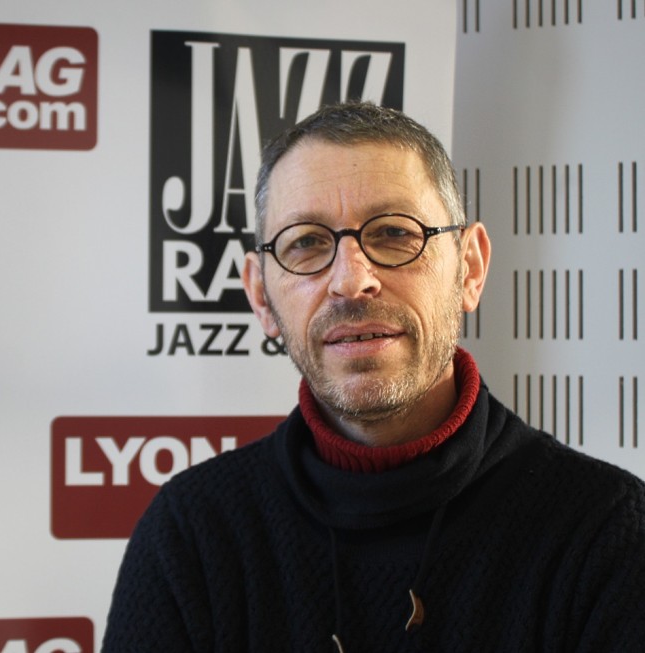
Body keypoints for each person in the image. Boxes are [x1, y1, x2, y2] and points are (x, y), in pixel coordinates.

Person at [102, 102, 645, 652]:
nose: (351, 280)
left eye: (393, 232)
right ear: (261, 295)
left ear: (470, 269)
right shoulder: (191, 536)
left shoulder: (607, 534)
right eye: (307, 242)